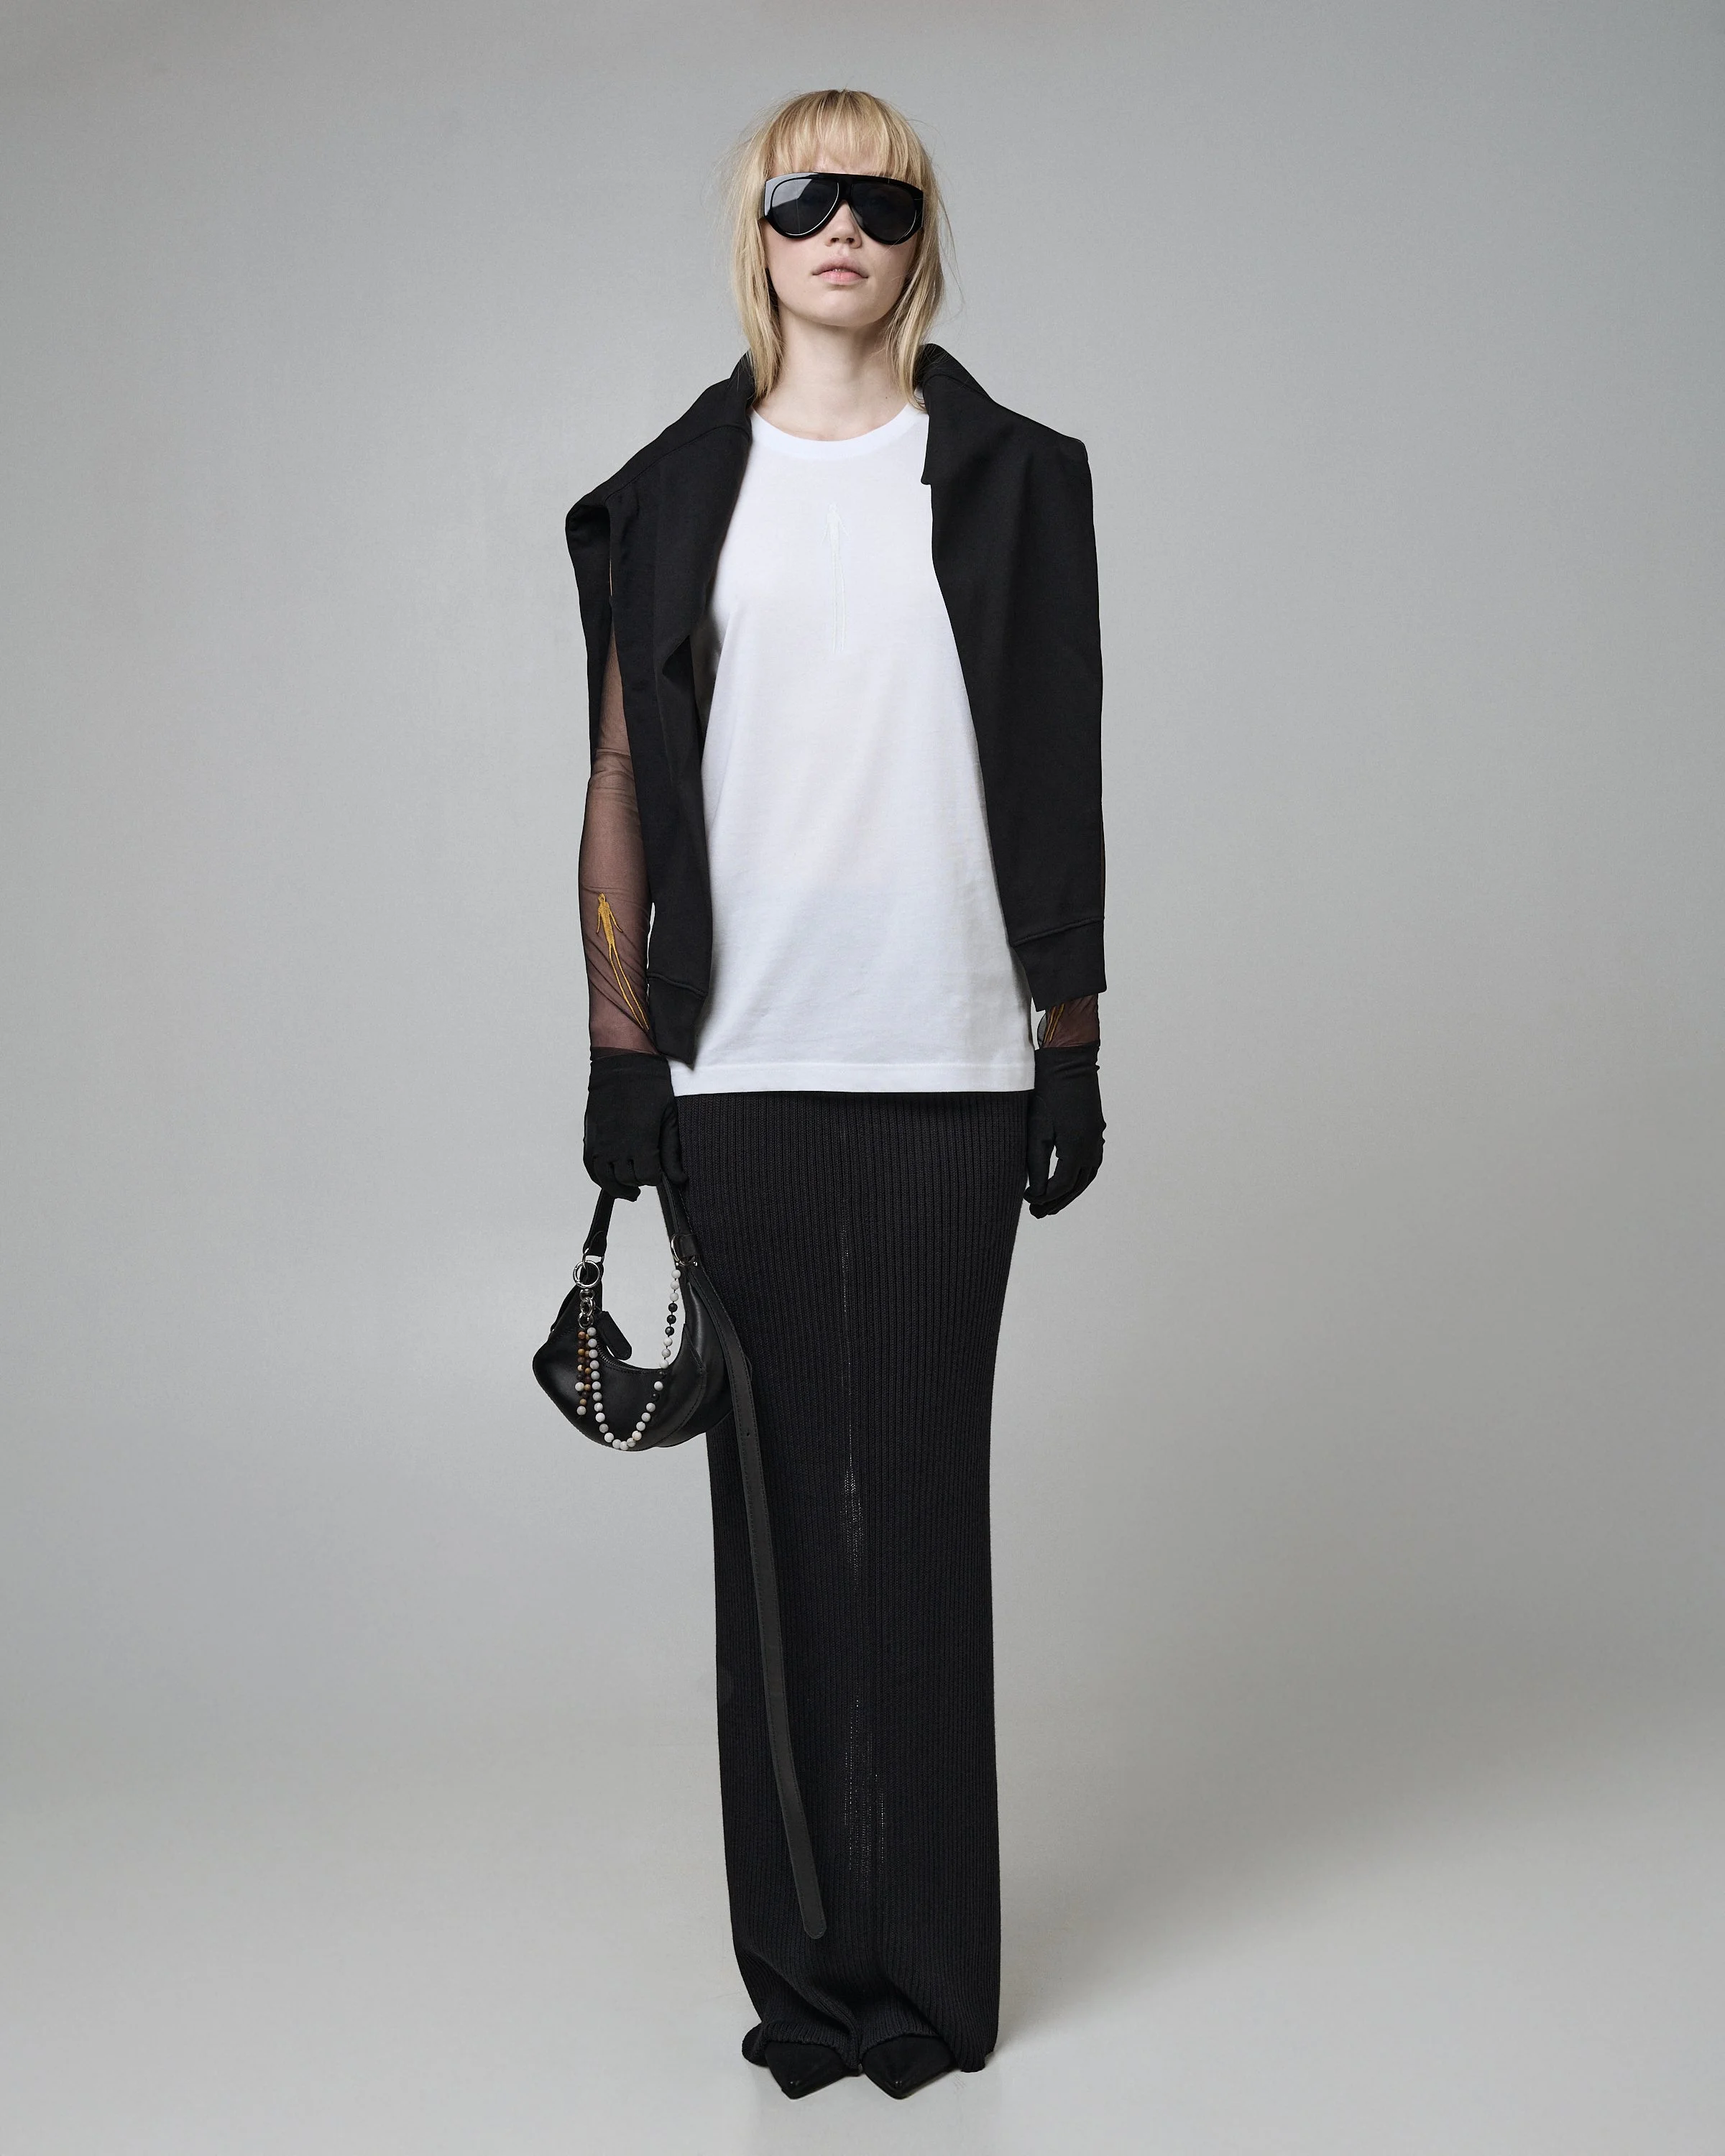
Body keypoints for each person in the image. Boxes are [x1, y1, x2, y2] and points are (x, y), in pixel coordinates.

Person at [564, 87, 1105, 2101]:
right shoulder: (667, 494)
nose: (843, 228)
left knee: (921, 1516)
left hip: (953, 1065)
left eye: (882, 197)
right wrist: (623, 1055)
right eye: (807, 195)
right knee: (780, 1531)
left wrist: (1072, 1041)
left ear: (920, 231)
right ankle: (805, 1976)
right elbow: (620, 783)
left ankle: (930, 1980)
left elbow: (1061, 767)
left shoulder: (1021, 482)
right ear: (759, 226)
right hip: (747, 1070)